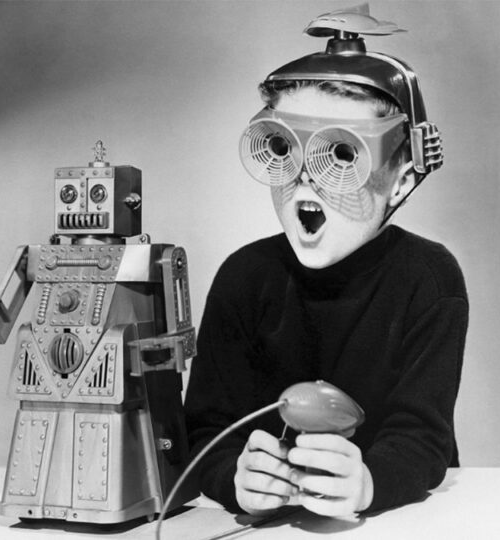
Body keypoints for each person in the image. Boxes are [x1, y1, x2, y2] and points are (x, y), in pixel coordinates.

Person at [183, 5, 468, 517]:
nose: (305, 180)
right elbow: (205, 431)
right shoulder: (244, 278)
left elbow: (423, 439)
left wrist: (368, 483)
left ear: (402, 179)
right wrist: (235, 478)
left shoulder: (427, 279)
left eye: (340, 156)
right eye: (281, 148)